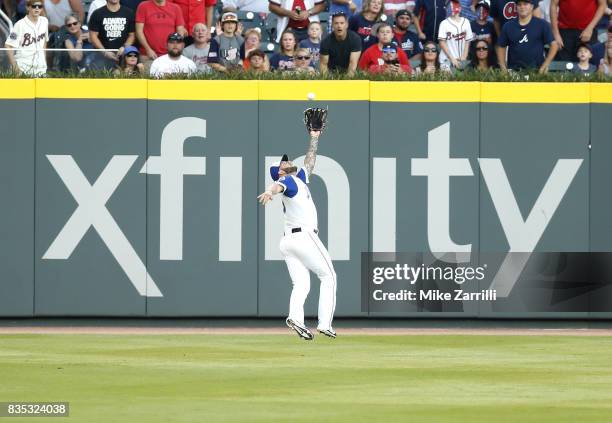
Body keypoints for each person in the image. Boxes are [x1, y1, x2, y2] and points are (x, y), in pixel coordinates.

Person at [257, 130, 337, 340]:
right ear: (279, 171)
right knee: (329, 276)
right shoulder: (288, 180)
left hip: (288, 242)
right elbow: (278, 186)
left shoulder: (299, 178)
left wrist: (314, 136)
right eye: (283, 163)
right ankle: (325, 324)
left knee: (301, 284)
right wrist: (268, 190)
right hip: (304, 237)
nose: (288, 161)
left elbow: (310, 163)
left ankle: (296, 319)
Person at [496, 0, 557, 72]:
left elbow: (554, 45)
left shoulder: (542, 25)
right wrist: (503, 68)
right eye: (519, 4)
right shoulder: (508, 26)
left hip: (536, 71)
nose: (522, 7)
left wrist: (545, 64)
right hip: (514, 71)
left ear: (532, 6)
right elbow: (500, 47)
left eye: (525, 4)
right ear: (516, 8)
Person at [4, 0, 49, 76]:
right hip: (23, 67)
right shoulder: (19, 24)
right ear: (28, 8)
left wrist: (44, 60)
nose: (37, 8)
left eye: (40, 6)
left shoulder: (45, 21)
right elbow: (8, 45)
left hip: (40, 68)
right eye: (34, 6)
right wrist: (15, 67)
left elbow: (44, 41)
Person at [88, 0, 136, 69]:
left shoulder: (129, 12)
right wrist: (104, 52)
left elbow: (132, 35)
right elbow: (93, 36)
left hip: (123, 56)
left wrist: (124, 47)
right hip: (102, 57)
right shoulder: (97, 13)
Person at [438, 0, 473, 70]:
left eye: (456, 4)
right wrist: (452, 59)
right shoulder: (444, 23)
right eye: (451, 5)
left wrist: (464, 57)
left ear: (460, 7)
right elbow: (442, 43)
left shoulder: (466, 22)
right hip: (446, 59)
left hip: (461, 59)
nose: (453, 6)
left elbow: (467, 41)